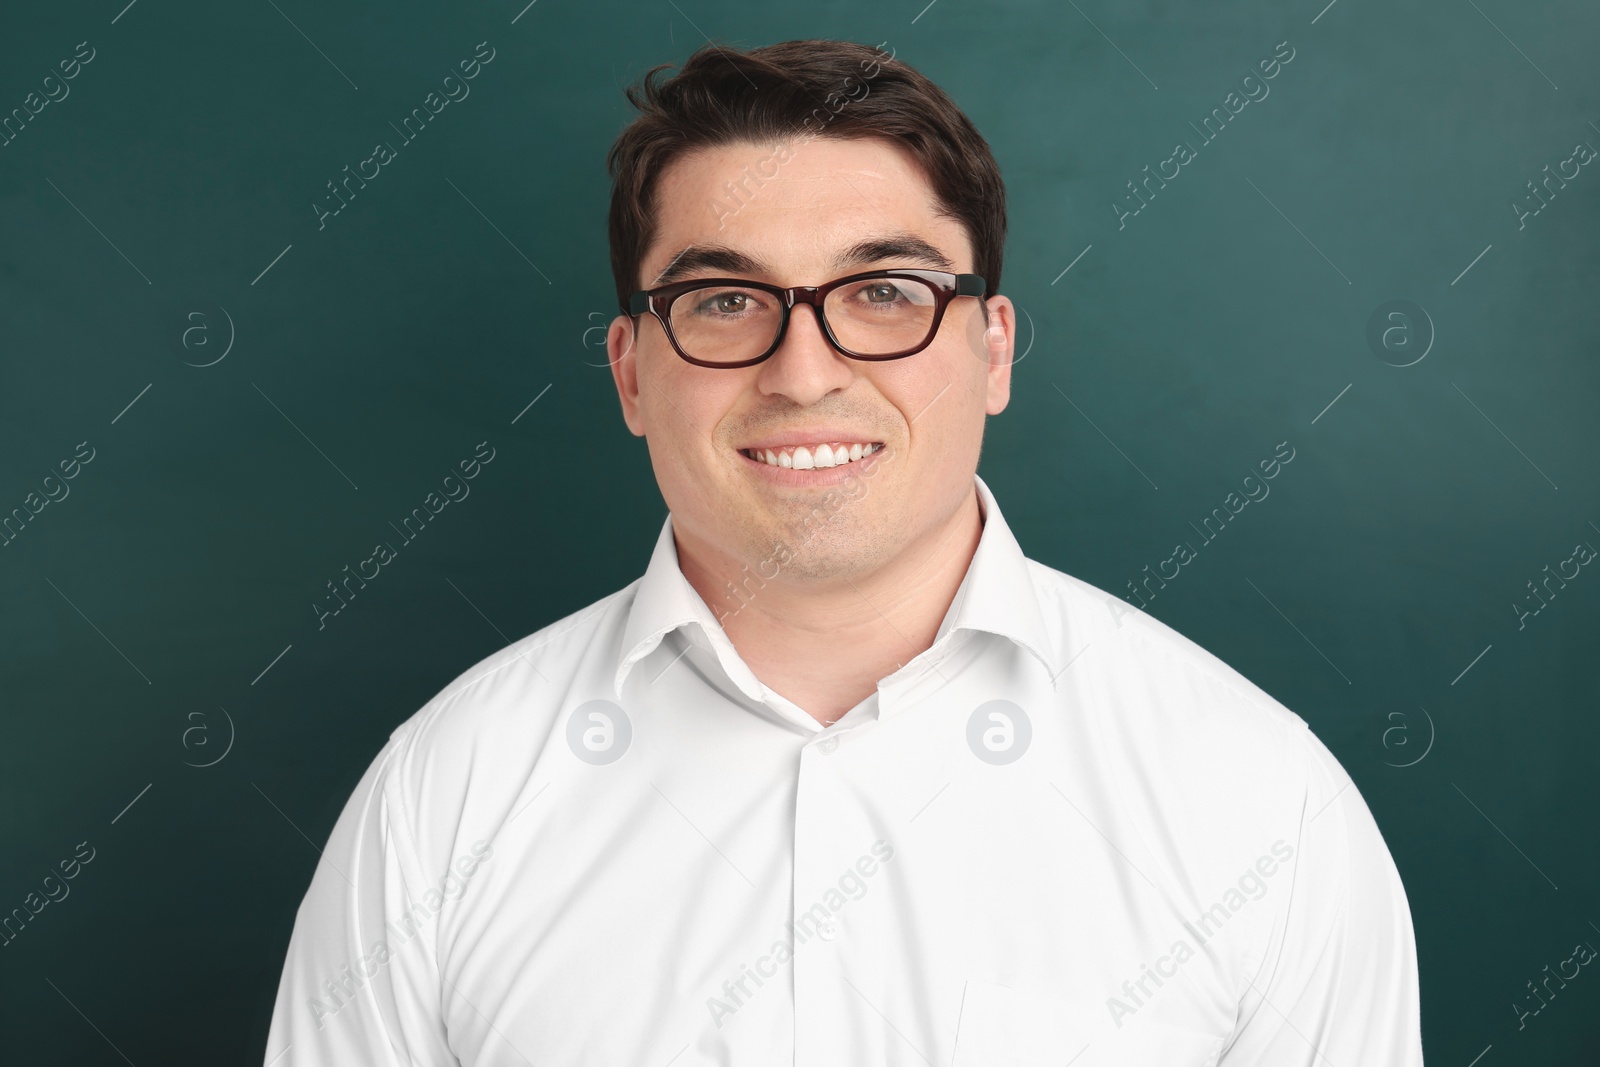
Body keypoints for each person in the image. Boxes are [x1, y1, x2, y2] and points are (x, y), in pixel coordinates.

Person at [263, 38, 1424, 1065]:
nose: (804, 371)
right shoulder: (446, 798)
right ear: (629, 370)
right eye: (722, 299)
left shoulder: (1258, 802)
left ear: (993, 348)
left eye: (882, 290)